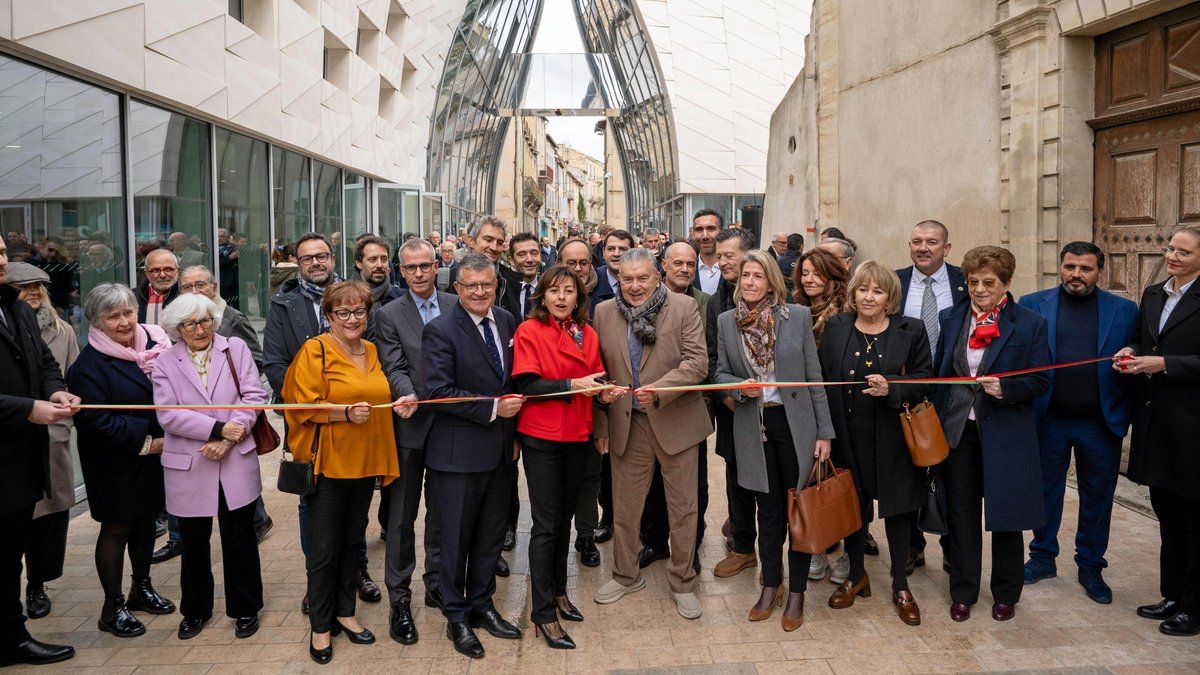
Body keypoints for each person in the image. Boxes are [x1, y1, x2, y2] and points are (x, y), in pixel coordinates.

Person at [282, 281, 402, 664]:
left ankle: (345, 613)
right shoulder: (314, 349)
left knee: (353, 543)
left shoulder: (371, 350)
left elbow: (381, 401)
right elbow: (299, 406)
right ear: (329, 316)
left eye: (359, 311)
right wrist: (343, 413)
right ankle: (320, 626)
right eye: (343, 312)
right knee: (323, 549)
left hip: (365, 464)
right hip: (330, 464)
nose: (352, 319)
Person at [714, 250, 833, 630]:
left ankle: (796, 593)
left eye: (758, 276)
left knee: (798, 511)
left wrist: (825, 434)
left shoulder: (796, 317)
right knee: (768, 514)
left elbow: (814, 377)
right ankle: (771, 584)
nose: (749, 282)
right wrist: (738, 386)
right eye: (745, 275)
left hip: (795, 427)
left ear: (771, 282)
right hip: (754, 426)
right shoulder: (726, 322)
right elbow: (719, 373)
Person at [591, 248, 712, 620]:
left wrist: (661, 388)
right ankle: (625, 574)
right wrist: (601, 425)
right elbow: (599, 372)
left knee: (684, 508)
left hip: (675, 418)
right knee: (625, 508)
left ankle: (683, 581)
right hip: (628, 424)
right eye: (627, 279)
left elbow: (697, 363)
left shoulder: (682, 308)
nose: (634, 286)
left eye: (642, 277)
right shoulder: (603, 312)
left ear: (657, 276)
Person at [933, 246, 1050, 623]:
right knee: (962, 513)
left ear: (1007, 283)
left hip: (1005, 432)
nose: (980, 290)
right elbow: (940, 374)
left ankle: (1005, 592)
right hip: (959, 431)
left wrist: (1007, 389)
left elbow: (1041, 379)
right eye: (973, 282)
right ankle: (964, 591)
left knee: (1006, 516)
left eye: (989, 283)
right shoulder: (951, 317)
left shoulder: (1030, 323)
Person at [512, 265, 622, 649]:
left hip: (578, 433)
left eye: (569, 291)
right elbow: (527, 384)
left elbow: (596, 378)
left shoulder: (587, 333)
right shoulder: (529, 331)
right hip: (542, 436)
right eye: (554, 291)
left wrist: (604, 393)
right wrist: (573, 385)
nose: (561, 298)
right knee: (545, 524)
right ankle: (542, 614)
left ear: (580, 296)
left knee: (564, 521)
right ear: (542, 296)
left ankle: (558, 591)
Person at [817, 261, 933, 625]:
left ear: (890, 297)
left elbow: (926, 378)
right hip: (848, 437)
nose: (869, 297)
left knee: (899, 512)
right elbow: (821, 380)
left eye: (877, 291)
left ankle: (900, 584)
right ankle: (856, 575)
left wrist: (892, 388)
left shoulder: (910, 329)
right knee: (854, 509)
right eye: (863, 289)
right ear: (853, 293)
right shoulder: (836, 327)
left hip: (895, 438)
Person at [1021, 242, 1137, 604]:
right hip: (1048, 418)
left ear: (1099, 271)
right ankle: (1042, 557)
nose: (1076, 274)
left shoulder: (1125, 310)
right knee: (1045, 492)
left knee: (1097, 498)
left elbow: (1136, 356)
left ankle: (1090, 565)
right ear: (1061, 266)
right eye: (1070, 266)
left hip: (1099, 422)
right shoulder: (1031, 304)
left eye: (1085, 268)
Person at [421, 253, 524, 659]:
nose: (480, 292)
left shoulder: (507, 321)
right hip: (456, 456)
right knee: (455, 540)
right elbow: (436, 391)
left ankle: (482, 605)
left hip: (499, 453)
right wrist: (495, 409)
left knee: (489, 538)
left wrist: (512, 433)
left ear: (496, 285)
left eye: (487, 284)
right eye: (471, 286)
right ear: (457, 289)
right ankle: (457, 617)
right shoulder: (440, 330)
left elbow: (513, 380)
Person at [152, 294, 268, 640]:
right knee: (193, 542)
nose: (199, 329)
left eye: (204, 321)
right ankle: (196, 609)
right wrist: (215, 430)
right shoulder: (165, 362)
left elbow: (254, 396)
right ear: (176, 329)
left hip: (234, 458)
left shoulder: (234, 348)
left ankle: (246, 608)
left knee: (240, 537)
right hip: (189, 464)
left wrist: (229, 438)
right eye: (189, 324)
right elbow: (167, 414)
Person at [68, 284, 177, 638]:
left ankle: (140, 589)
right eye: (113, 316)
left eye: (128, 312)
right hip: (115, 462)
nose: (124, 321)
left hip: (152, 458)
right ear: (96, 323)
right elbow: (96, 422)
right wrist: (148, 443)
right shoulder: (88, 366)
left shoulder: (156, 345)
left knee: (145, 522)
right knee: (117, 528)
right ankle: (112, 606)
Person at [1116, 224, 1200, 637]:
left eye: (1183, 252)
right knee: (1166, 515)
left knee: (1193, 519)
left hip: (1192, 426)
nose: (1172, 257)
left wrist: (1164, 364)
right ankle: (1171, 594)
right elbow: (1140, 339)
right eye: (1170, 248)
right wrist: (1131, 353)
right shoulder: (1154, 294)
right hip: (1155, 422)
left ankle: (1193, 607)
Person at [0, 244, 78, 667]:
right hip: (9, 445)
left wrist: (53, 390)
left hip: (21, 461)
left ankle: (11, 637)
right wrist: (29, 408)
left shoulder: (18, 311)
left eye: (0, 251)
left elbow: (46, 363)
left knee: (11, 555)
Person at [375, 237, 453, 645]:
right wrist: (406, 393)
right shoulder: (387, 313)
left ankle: (437, 581)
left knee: (442, 512)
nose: (419, 274)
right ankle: (399, 598)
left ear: (437, 265)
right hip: (408, 427)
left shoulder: (457, 304)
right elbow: (394, 364)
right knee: (402, 518)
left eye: (425, 266)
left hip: (452, 428)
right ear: (399, 271)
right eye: (411, 268)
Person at [896, 220, 967, 574]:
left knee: (952, 477)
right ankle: (912, 547)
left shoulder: (965, 284)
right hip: (908, 396)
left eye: (932, 242)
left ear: (946, 248)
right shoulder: (894, 283)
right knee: (909, 475)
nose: (924, 248)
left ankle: (953, 548)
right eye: (917, 241)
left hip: (953, 397)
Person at [639, 241, 710, 569]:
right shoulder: (642, 298)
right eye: (677, 263)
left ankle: (689, 550)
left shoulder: (704, 303)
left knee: (693, 488)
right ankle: (655, 542)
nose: (684, 269)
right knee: (653, 487)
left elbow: (704, 359)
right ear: (662, 266)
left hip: (688, 410)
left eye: (690, 264)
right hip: (647, 411)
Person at [708, 227, 760, 579]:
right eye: (720, 255)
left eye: (729, 255)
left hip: (774, 406)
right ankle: (743, 547)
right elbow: (712, 357)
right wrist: (727, 396)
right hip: (733, 407)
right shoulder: (717, 301)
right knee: (737, 477)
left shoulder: (774, 291)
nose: (722, 261)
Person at [558, 237, 606, 567]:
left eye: (583, 263)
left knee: (591, 477)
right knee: (559, 481)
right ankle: (556, 535)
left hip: (593, 408)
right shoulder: (548, 299)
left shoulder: (605, 302)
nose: (577, 269)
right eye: (570, 263)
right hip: (556, 410)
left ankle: (585, 535)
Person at [354, 235, 404, 308]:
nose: (379, 265)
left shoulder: (402, 299)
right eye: (373, 259)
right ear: (359, 263)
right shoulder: (344, 297)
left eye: (384, 259)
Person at [136, 248, 180, 324]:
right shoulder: (133, 297)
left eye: (168, 269)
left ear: (178, 271)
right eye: (156, 270)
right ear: (146, 273)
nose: (162, 275)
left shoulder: (186, 295)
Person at [592, 230, 632, 310]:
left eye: (622, 249)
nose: (616, 254)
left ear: (633, 251)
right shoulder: (592, 283)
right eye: (611, 249)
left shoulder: (644, 283)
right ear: (603, 252)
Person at [691, 210, 723, 294]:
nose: (705, 236)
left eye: (711, 229)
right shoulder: (687, 270)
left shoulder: (733, 270)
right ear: (693, 234)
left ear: (721, 232)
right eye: (699, 229)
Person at [217, 228, 240, 309]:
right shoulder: (212, 248)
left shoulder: (233, 248)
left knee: (235, 304)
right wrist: (230, 258)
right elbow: (217, 263)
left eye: (222, 236)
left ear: (227, 237)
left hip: (232, 281)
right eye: (218, 236)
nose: (219, 238)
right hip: (219, 280)